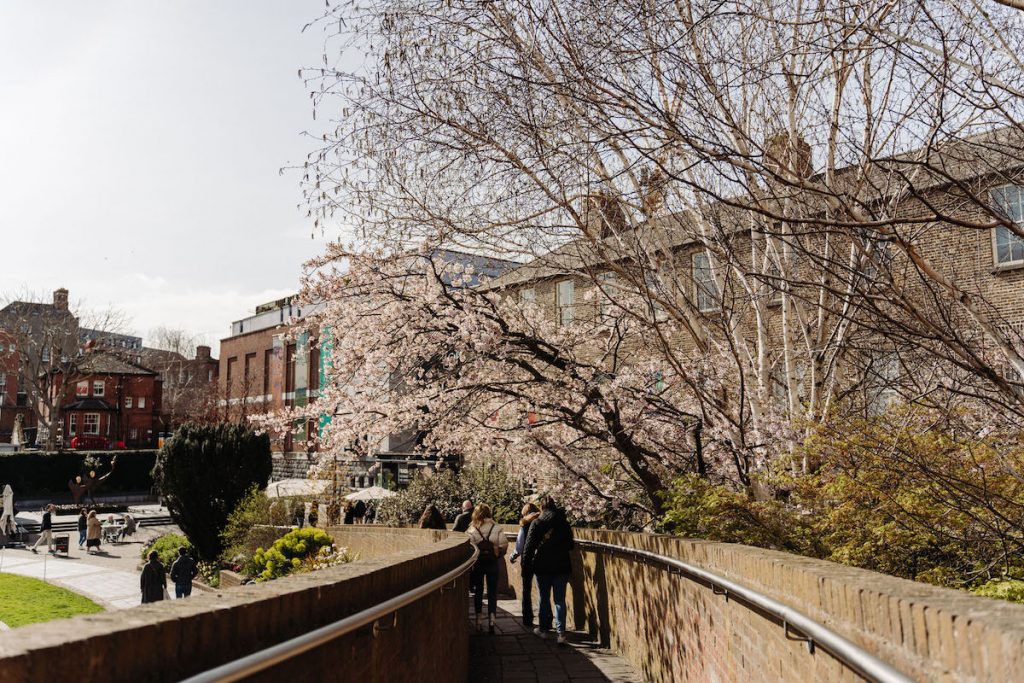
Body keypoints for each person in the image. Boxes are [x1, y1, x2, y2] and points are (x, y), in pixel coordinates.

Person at [522, 496, 574, 645]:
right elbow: (570, 545)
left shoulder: (537, 523)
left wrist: (526, 568)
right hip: (562, 566)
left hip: (542, 566)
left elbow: (529, 548)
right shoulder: (564, 523)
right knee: (560, 600)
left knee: (543, 597)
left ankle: (543, 630)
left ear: (542, 507)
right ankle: (561, 634)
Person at [466, 503, 508, 633]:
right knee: (492, 592)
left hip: (478, 564)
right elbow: (504, 545)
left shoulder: (471, 530)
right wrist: (497, 554)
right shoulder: (496, 528)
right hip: (492, 563)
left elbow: (467, 548)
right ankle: (491, 620)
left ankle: (478, 620)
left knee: (478, 592)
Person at [509, 502, 541, 627]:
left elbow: (519, 546)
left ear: (525, 513)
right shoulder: (541, 523)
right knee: (542, 590)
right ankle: (546, 619)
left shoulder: (525, 525)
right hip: (540, 558)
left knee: (526, 590)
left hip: (527, 560)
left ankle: (527, 618)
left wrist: (513, 556)